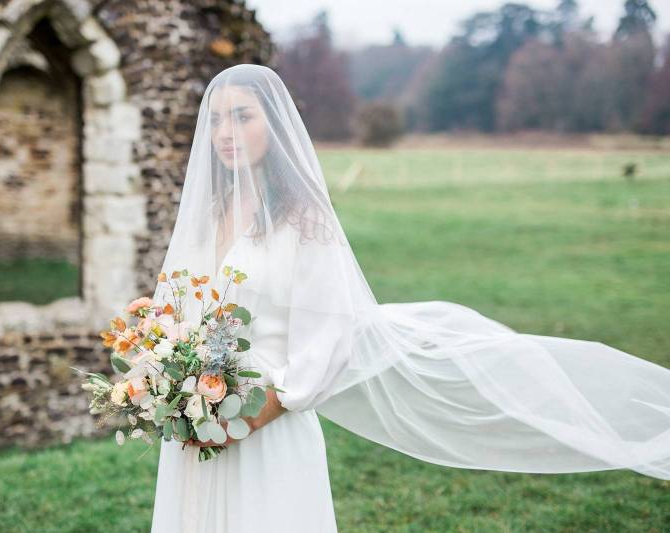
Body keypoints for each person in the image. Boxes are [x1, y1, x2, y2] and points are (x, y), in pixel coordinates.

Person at [149, 64, 670, 533]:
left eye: (241, 117)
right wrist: (156, 363)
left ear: (276, 126)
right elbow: (174, 306)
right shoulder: (207, 213)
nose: (224, 134)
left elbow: (330, 337)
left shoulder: (305, 223)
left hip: (261, 425)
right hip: (192, 426)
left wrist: (250, 416)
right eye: (215, 120)